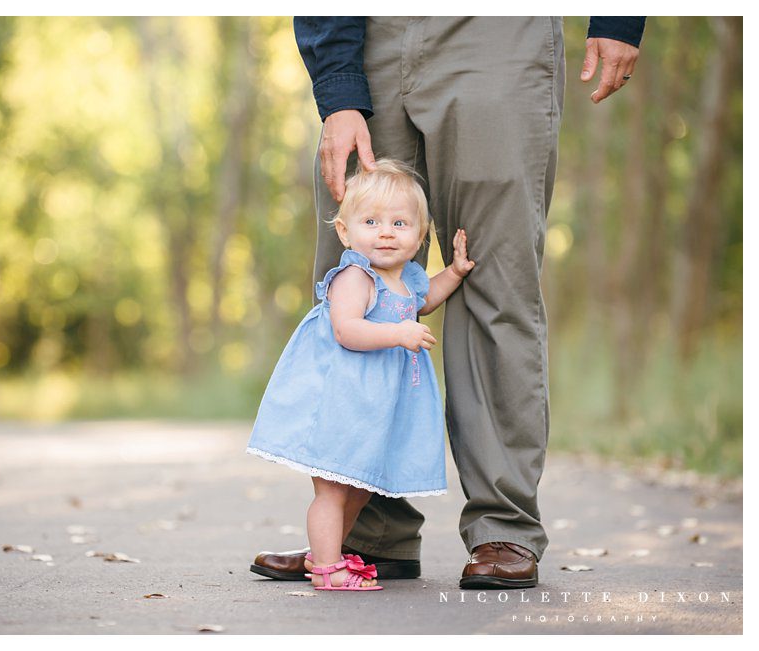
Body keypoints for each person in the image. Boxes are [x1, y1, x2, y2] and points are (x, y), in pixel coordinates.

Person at [251, 17, 644, 589]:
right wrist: (337, 85)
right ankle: (359, 533)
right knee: (355, 279)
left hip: (497, 35)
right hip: (368, 34)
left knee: (492, 278)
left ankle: (502, 526)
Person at [246, 159, 474, 591]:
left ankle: (324, 556)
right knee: (332, 489)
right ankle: (329, 570)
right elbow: (346, 330)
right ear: (346, 232)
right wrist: (397, 333)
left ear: (420, 235)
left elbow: (424, 301)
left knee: (361, 487)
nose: (386, 232)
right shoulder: (355, 276)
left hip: (377, 408)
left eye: (400, 223)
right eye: (371, 221)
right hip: (343, 401)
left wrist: (455, 272)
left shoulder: (406, 276)